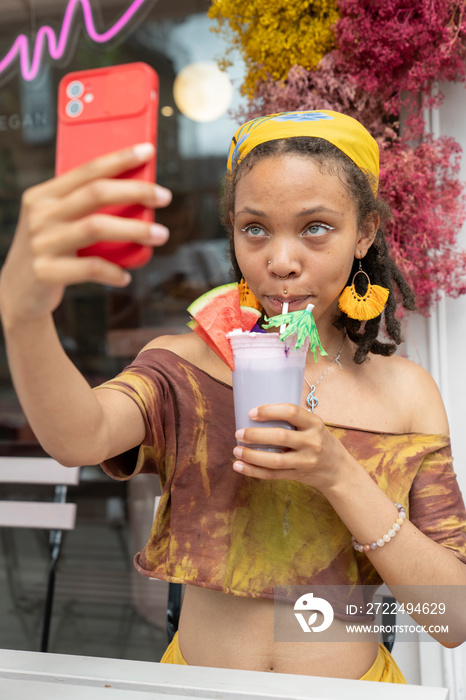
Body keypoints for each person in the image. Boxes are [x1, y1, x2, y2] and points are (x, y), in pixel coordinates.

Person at [1, 110, 465, 683]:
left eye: (315, 227)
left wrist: (338, 475)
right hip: (198, 686)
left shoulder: (406, 395)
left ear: (364, 232)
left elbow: (449, 617)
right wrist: (23, 316)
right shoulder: (185, 365)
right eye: (255, 229)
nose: (281, 261)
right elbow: (79, 438)